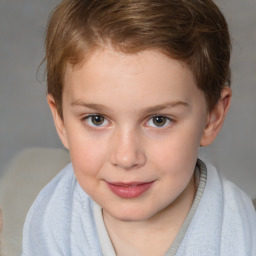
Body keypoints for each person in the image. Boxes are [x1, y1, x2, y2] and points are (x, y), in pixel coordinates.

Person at [22, 0, 256, 255]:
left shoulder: (241, 238)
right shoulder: (52, 220)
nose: (126, 157)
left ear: (212, 117)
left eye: (159, 120)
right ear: (61, 120)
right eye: (97, 119)